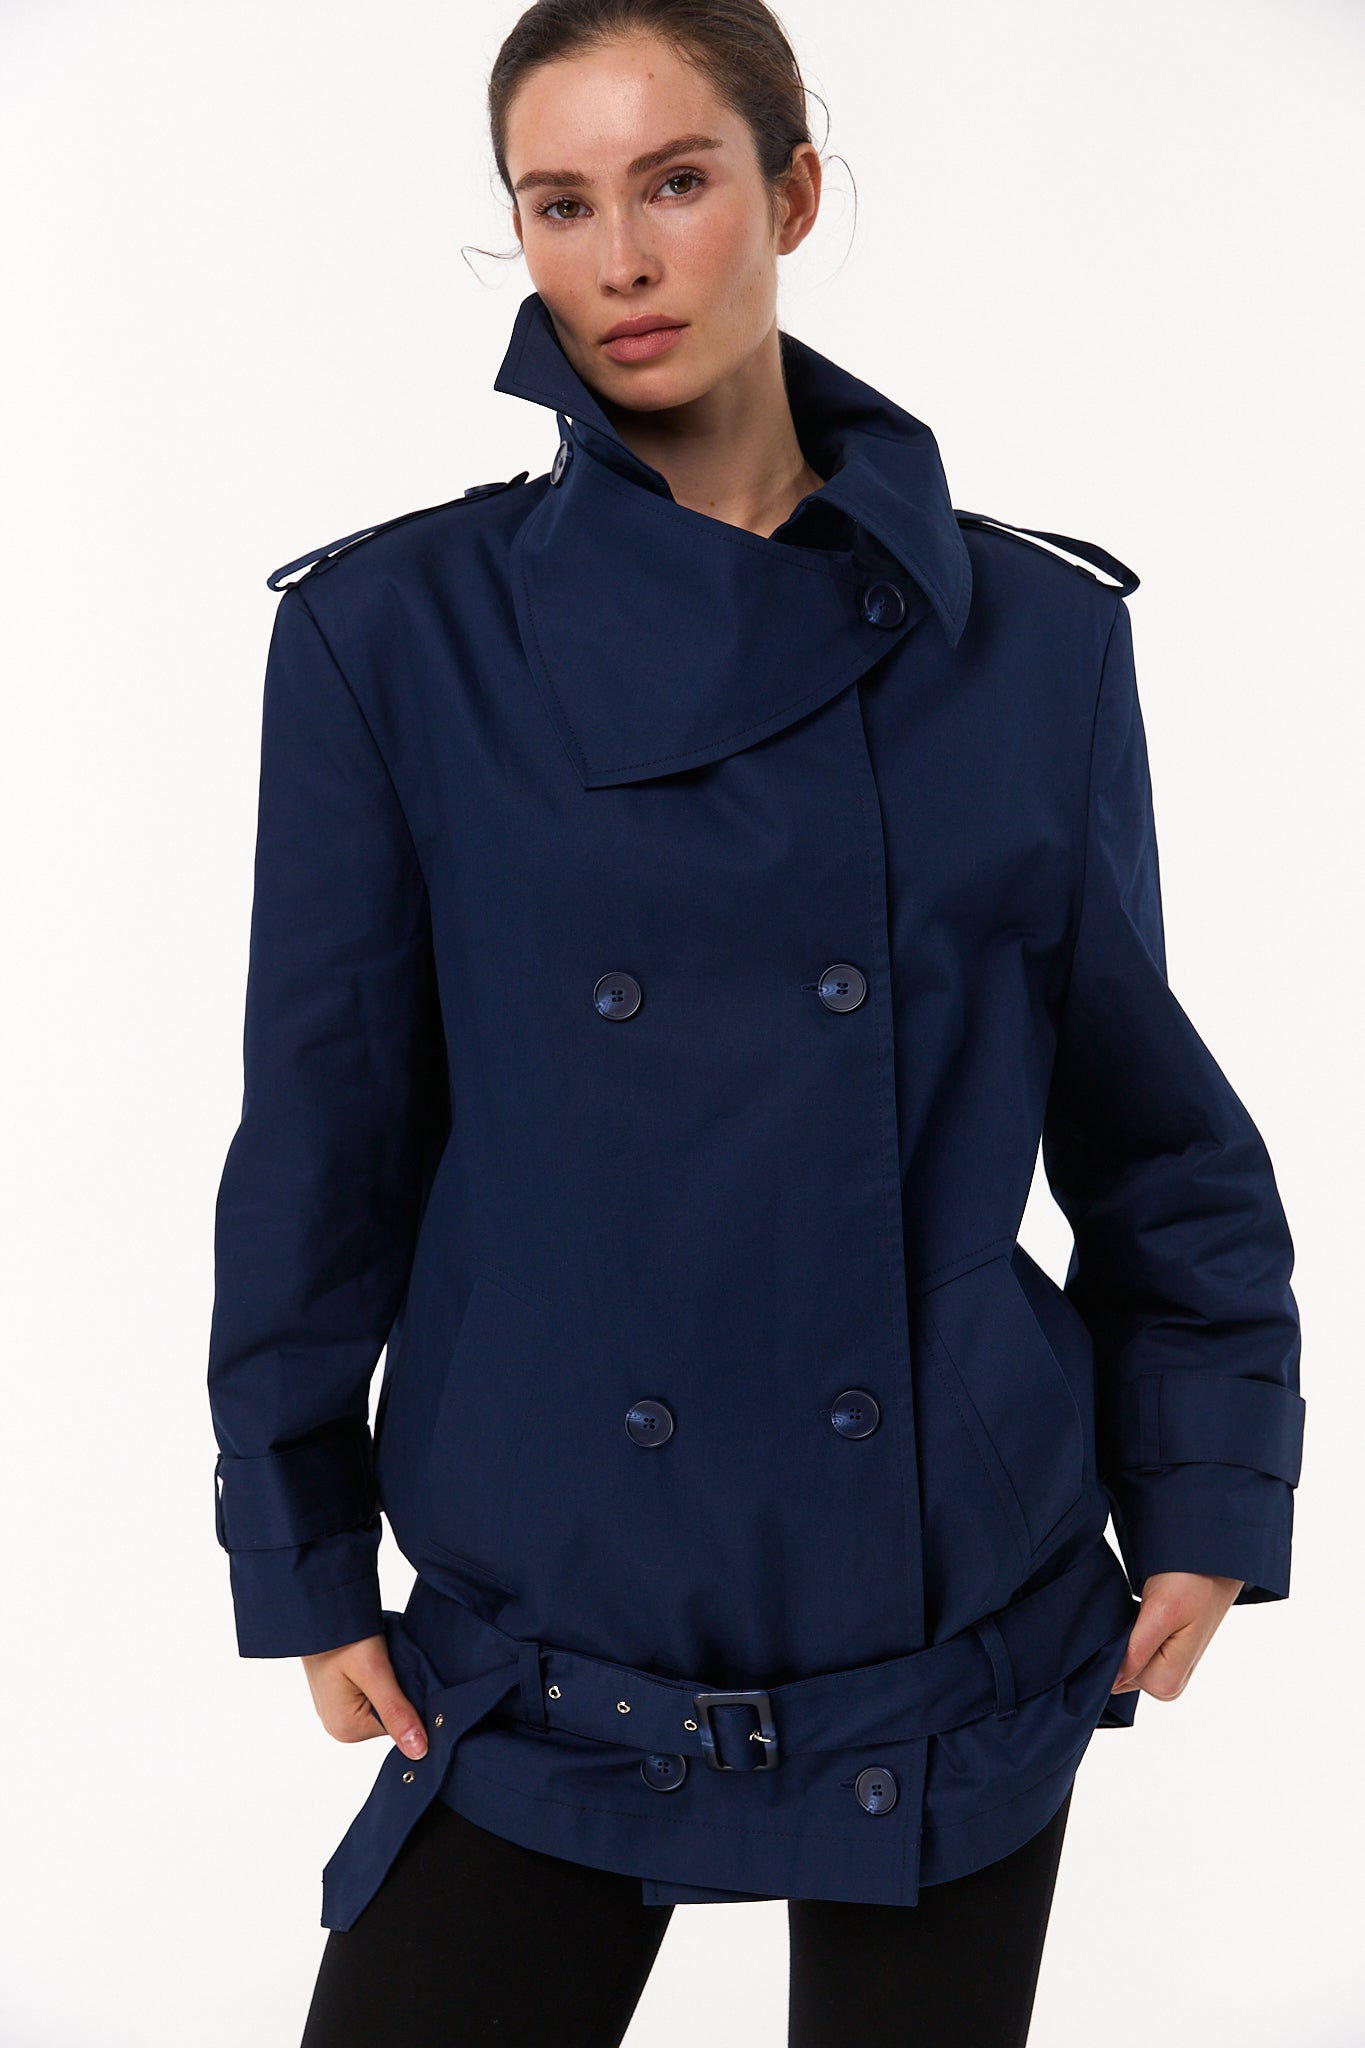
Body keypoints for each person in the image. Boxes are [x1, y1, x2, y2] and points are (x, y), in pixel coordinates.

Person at [206, 2, 1306, 2041]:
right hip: (542, 1625)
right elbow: (323, 1138)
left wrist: (1209, 1484)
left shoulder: (1033, 642)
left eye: (677, 182)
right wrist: (299, 1540)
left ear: (791, 194)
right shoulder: (393, 641)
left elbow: (1148, 1124)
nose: (621, 258)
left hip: (951, 1613)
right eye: (560, 203)